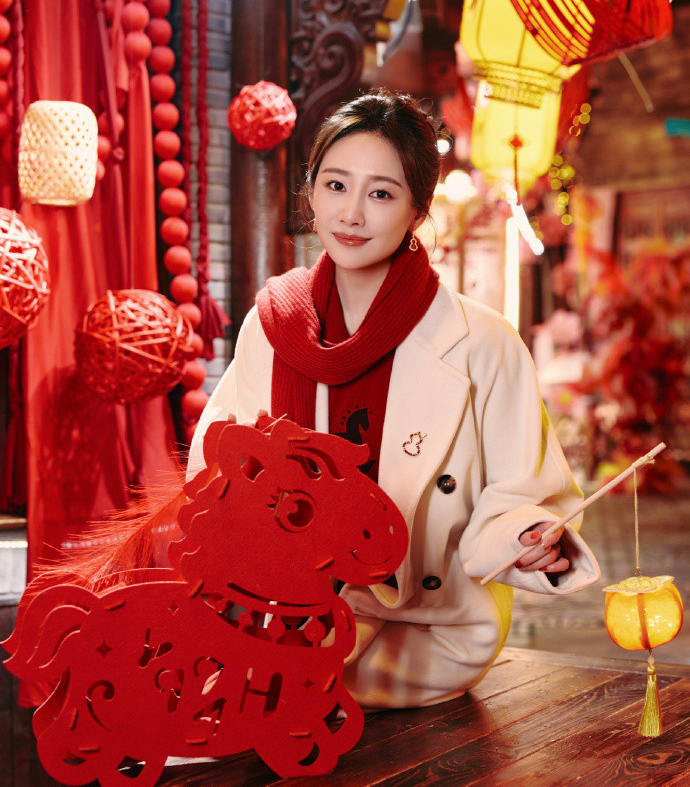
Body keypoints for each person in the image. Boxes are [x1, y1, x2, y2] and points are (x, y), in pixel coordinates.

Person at [188, 88, 599, 709]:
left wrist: (530, 537)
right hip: (283, 623)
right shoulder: (270, 326)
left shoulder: (483, 341)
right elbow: (219, 465)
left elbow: (520, 493)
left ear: (417, 209)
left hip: (429, 638)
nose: (351, 214)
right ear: (311, 191)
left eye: (380, 194)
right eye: (335, 185)